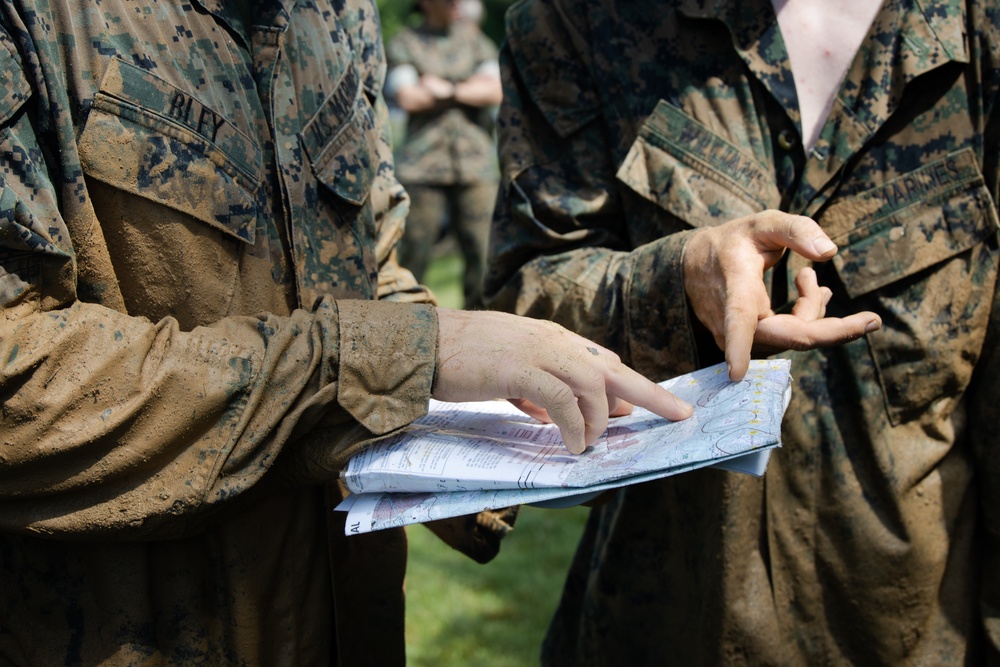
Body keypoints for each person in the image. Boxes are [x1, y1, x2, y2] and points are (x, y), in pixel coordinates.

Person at [0, 0, 701, 664]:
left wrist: (501, 438)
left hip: (354, 621)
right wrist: (391, 357)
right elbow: (16, 377)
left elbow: (371, 263)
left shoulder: (337, 11)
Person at [485, 0, 1000, 664]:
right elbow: (524, 299)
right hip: (664, 617)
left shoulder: (975, 25)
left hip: (916, 624)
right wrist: (679, 280)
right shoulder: (581, 17)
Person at [384, 0, 502, 309]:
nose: (455, 3)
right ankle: (405, 331)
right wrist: (468, 88)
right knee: (413, 257)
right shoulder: (405, 43)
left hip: (475, 168)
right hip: (422, 169)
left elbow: (495, 91)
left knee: (485, 256)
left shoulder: (476, 42)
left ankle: (482, 336)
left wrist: (445, 89)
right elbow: (409, 98)